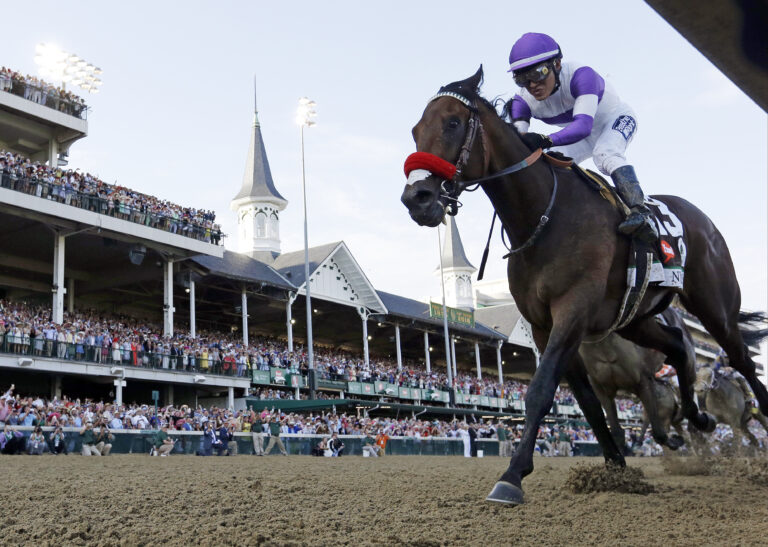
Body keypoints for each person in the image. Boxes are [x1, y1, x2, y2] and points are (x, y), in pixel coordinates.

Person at [505, 32, 658, 243]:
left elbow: (583, 126)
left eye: (539, 73)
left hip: (613, 120)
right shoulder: (522, 101)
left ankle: (640, 212)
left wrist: (545, 139)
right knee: (547, 162)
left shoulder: (581, 75)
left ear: (557, 64)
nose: (532, 85)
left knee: (605, 154)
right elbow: (519, 147)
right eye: (522, 79)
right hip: (577, 135)